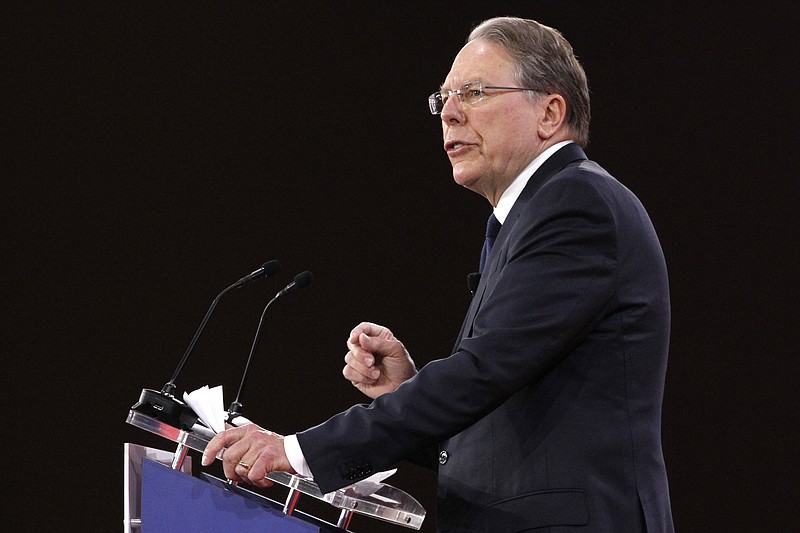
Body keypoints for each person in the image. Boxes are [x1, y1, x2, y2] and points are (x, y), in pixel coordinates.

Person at [203, 16, 674, 532]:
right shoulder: (532, 216)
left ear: (550, 111)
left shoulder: (575, 205)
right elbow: (502, 407)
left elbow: (481, 374)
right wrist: (406, 387)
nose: (448, 114)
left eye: (474, 93)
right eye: (443, 99)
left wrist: (297, 451)